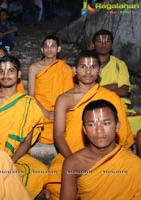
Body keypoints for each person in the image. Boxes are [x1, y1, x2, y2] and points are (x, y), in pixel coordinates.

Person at [46, 50, 134, 200]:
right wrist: (74, 161)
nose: (88, 71)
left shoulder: (110, 97)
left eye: (93, 67)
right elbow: (59, 135)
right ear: (74, 70)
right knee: (56, 185)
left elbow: (122, 135)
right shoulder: (64, 99)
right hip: (71, 153)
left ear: (99, 70)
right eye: (83, 67)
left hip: (106, 154)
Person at [0, 55, 49, 199]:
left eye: (10, 71)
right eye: (2, 71)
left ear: (18, 74)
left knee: (41, 171)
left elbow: (26, 142)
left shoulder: (28, 103)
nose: (5, 75)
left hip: (17, 155)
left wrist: (11, 160)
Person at [61, 100, 141, 200]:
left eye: (106, 123)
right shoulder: (74, 163)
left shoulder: (134, 164)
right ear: (84, 130)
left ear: (117, 126)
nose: (99, 130)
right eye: (91, 124)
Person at [92, 29, 141, 137]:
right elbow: (85, 91)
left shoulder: (119, 64)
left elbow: (124, 90)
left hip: (119, 107)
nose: (103, 44)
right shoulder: (88, 63)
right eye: (99, 41)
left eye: (107, 41)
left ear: (112, 44)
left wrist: (97, 89)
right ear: (93, 44)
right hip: (93, 107)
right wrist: (112, 86)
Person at [28, 35, 74, 144]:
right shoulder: (34, 68)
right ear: (42, 50)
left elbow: (70, 94)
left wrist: (59, 112)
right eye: (46, 46)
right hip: (40, 108)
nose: (49, 49)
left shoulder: (65, 69)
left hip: (61, 109)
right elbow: (31, 95)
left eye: (52, 46)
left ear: (58, 49)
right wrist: (46, 113)